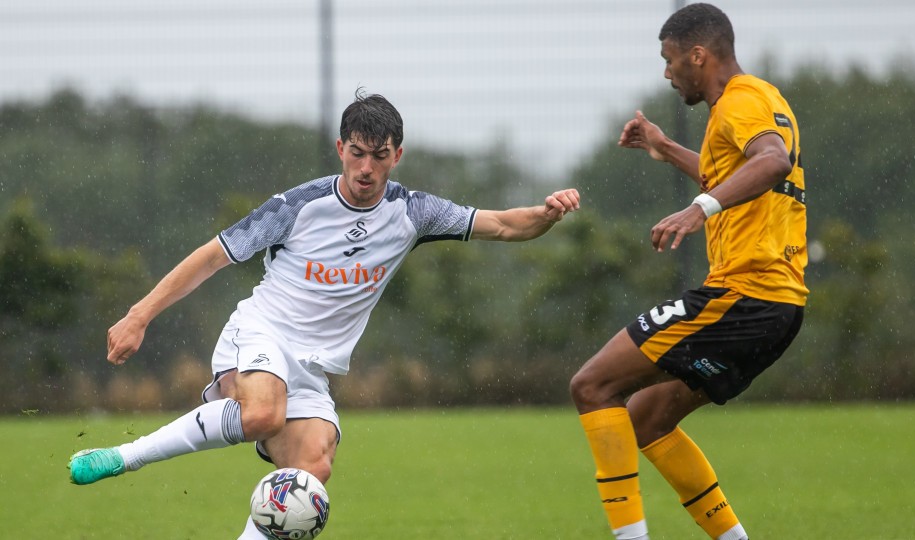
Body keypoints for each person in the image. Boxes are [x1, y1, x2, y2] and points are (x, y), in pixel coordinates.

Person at [69, 90, 581, 538]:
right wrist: (140, 314)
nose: (365, 168)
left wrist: (546, 213)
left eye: (379, 156)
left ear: (397, 155)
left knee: (311, 471)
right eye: (356, 153)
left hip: (313, 370)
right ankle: (124, 457)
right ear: (341, 149)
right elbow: (211, 257)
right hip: (259, 332)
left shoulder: (413, 213)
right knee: (264, 411)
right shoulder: (298, 205)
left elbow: (506, 225)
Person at [569, 4, 807, 540]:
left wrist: (699, 208)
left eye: (670, 59)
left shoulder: (739, 102)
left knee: (593, 385)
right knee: (647, 419)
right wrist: (665, 147)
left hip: (745, 295)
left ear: (698, 55)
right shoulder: (763, 97)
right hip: (779, 306)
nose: (666, 72)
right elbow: (738, 171)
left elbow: (772, 162)